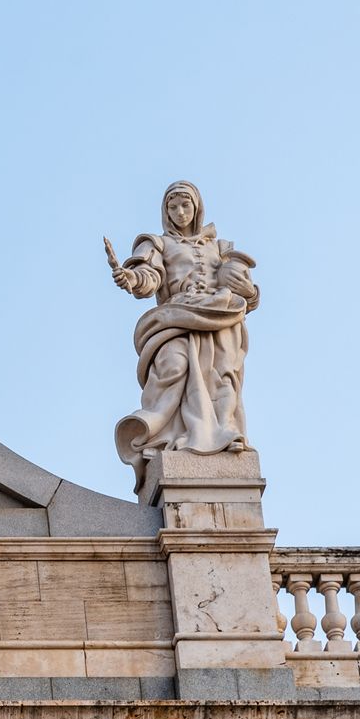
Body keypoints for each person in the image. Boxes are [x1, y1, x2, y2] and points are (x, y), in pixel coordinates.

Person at [110, 180, 257, 493]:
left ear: (197, 208)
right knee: (173, 368)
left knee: (222, 378)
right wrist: (132, 278)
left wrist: (244, 287)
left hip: (220, 317)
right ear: (165, 212)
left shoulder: (220, 247)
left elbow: (250, 293)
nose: (180, 211)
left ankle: (226, 435)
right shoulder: (158, 244)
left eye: (185, 205)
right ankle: (163, 434)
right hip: (176, 317)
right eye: (173, 206)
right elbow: (149, 278)